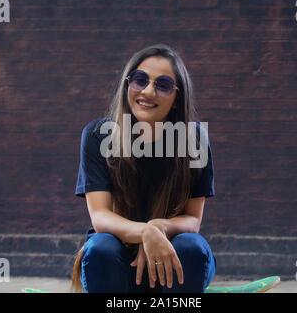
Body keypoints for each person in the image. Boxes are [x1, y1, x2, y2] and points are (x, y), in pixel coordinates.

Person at [71, 44, 216, 293]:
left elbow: (193, 219)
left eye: (163, 85)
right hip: (117, 264)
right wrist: (144, 232)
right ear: (128, 84)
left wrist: (159, 228)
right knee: (101, 246)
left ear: (176, 98)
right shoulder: (98, 135)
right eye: (140, 80)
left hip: (174, 261)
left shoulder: (194, 139)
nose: (148, 92)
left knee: (191, 245)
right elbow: (100, 217)